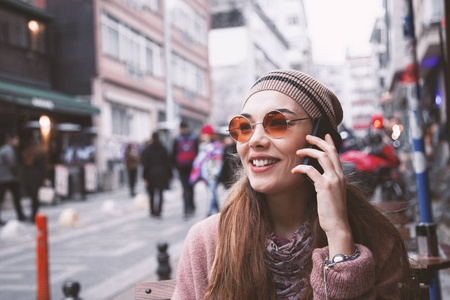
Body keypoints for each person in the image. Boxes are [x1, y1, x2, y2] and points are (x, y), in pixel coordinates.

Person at [173, 70, 411, 299]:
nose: (255, 141)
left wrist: (339, 236)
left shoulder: (376, 239)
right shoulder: (207, 241)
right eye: (244, 127)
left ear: (321, 138)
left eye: (277, 123)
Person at [189, 125, 224, 217]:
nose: (202, 136)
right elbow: (199, 161)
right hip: (205, 174)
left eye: (204, 134)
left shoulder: (216, 146)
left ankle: (209, 213)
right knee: (212, 192)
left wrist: (215, 172)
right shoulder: (203, 146)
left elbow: (218, 161)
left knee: (211, 192)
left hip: (212, 173)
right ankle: (219, 211)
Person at [141, 132, 172, 217]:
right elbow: (167, 163)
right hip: (162, 174)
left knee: (151, 194)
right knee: (160, 193)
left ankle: (152, 211)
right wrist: (170, 175)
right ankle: (159, 211)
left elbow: (145, 165)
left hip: (151, 175)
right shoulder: (163, 149)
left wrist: (144, 177)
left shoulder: (148, 150)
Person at [172, 121, 198, 217]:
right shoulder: (194, 138)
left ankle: (186, 208)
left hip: (181, 167)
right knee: (191, 187)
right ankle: (191, 206)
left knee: (185, 187)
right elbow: (197, 152)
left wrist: (176, 167)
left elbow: (173, 154)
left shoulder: (177, 139)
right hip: (192, 167)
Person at [21, 139, 49, 223]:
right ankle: (34, 215)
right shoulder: (40, 153)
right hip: (37, 177)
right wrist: (46, 177)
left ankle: (33, 214)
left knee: (33, 197)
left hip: (28, 177)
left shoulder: (27, 153)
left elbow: (24, 166)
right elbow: (43, 167)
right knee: (36, 198)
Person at [0, 134, 26, 224]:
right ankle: (21, 215)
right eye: (16, 139)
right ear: (11, 140)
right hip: (8, 178)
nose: (17, 141)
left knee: (4, 198)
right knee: (15, 197)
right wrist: (16, 175)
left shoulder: (6, 149)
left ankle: (21, 215)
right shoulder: (8, 150)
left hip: (5, 178)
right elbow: (12, 163)